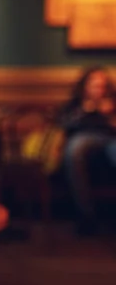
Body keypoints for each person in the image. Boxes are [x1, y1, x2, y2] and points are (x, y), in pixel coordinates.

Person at [57, 66, 116, 235]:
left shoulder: (112, 101)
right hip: (84, 138)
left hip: (110, 139)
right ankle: (87, 215)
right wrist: (86, 110)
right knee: (74, 149)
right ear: (85, 86)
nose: (99, 89)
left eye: (102, 85)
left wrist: (110, 117)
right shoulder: (76, 104)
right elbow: (63, 124)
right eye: (95, 85)